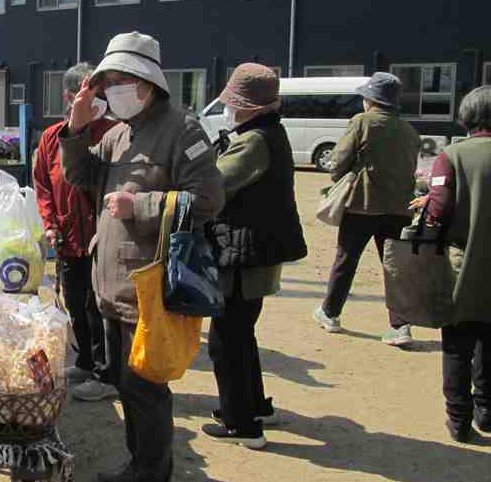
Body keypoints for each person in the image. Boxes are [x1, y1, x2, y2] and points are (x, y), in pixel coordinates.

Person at [61, 32, 224, 482]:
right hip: (112, 287)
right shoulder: (117, 133)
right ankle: (139, 467)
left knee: (147, 394)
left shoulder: (182, 130)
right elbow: (80, 177)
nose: (113, 90)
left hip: (149, 290)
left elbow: (209, 200)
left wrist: (142, 206)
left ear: (147, 82)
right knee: (127, 390)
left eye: (120, 80)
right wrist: (76, 127)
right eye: (107, 82)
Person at [202, 64, 308, 449]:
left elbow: (214, 185)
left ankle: (241, 424)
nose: (229, 109)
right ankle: (255, 407)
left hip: (243, 255)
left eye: (233, 104)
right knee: (242, 334)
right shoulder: (270, 133)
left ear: (250, 107)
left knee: (225, 340)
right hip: (256, 251)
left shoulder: (253, 142)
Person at [313, 73, 420, 346]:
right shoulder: (409, 130)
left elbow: (339, 160)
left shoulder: (362, 121)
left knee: (346, 260)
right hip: (399, 208)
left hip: (362, 204)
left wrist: (340, 178)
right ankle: (400, 326)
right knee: (394, 265)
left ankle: (330, 313)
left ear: (370, 100)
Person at [33, 62, 119, 401]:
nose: (98, 101)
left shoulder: (114, 133)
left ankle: (105, 373)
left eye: (102, 94)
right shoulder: (52, 137)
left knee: (100, 308)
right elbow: (43, 186)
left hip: (102, 240)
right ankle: (84, 361)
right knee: (75, 304)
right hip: (68, 238)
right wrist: (50, 224)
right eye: (89, 93)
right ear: (71, 98)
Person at [412, 86, 491, 443]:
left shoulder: (452, 155)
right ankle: (487, 413)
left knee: (458, 345)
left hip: (463, 267)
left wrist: (427, 205)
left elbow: (439, 211)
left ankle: (459, 421)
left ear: (466, 116)